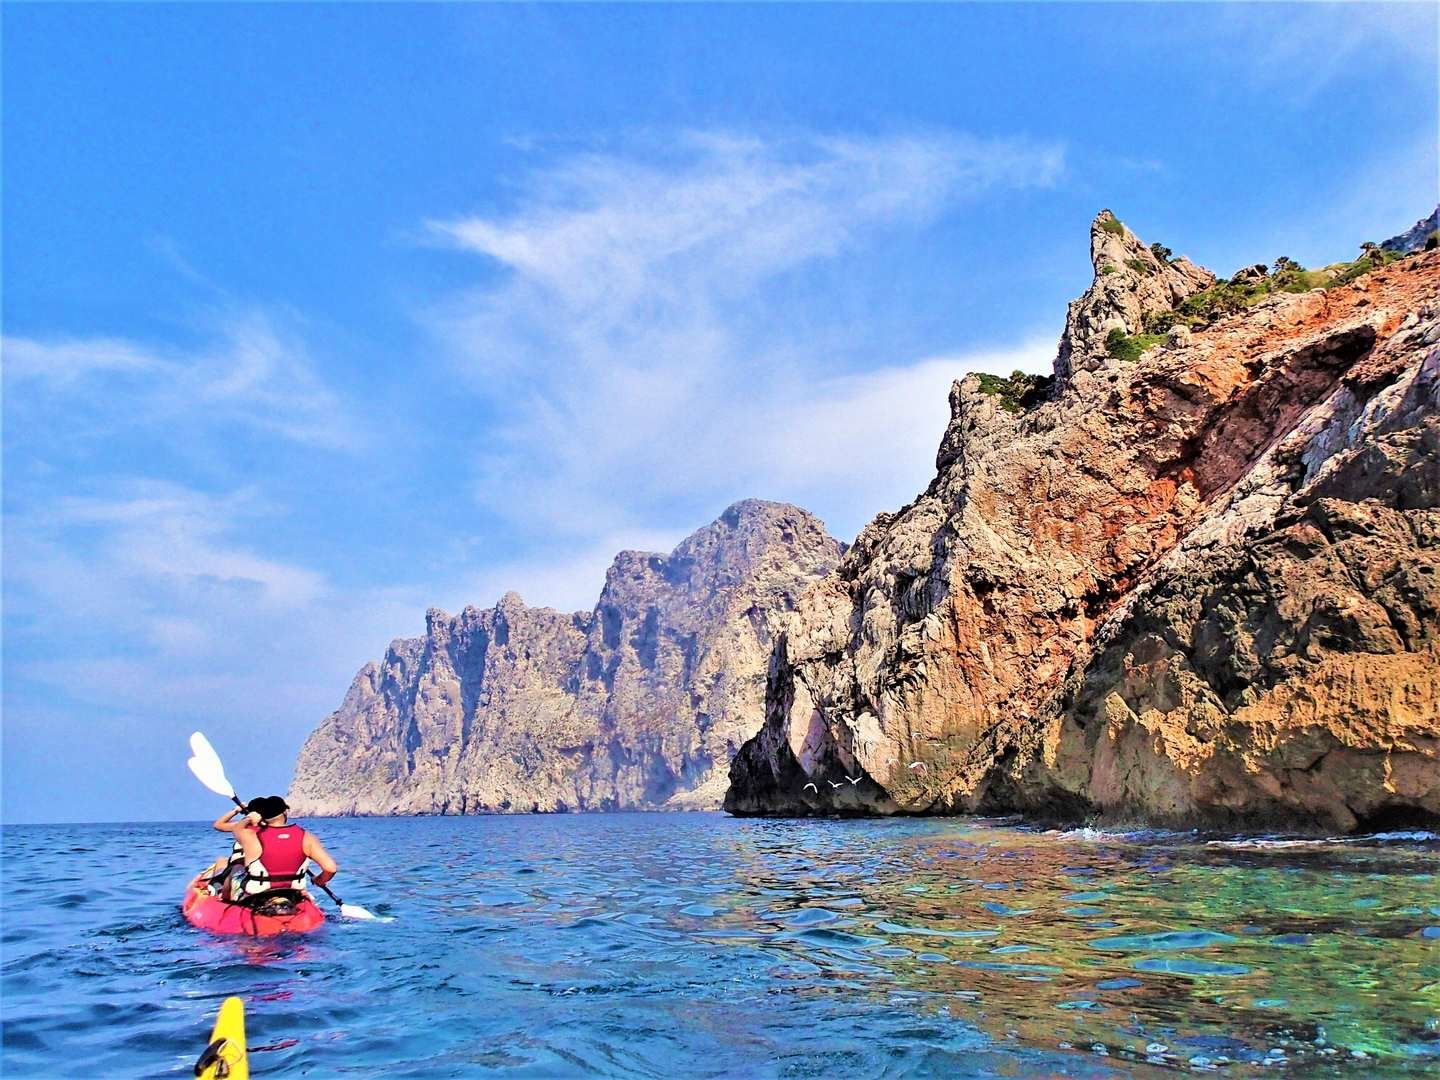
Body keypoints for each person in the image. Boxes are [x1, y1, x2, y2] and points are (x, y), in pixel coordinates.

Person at [210, 796, 338, 903]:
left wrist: (248, 818)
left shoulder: (250, 836)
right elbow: (330, 868)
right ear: (285, 813)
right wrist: (319, 880)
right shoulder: (306, 837)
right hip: (293, 894)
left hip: (257, 896)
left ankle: (224, 901)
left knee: (226, 867)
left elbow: (236, 828)